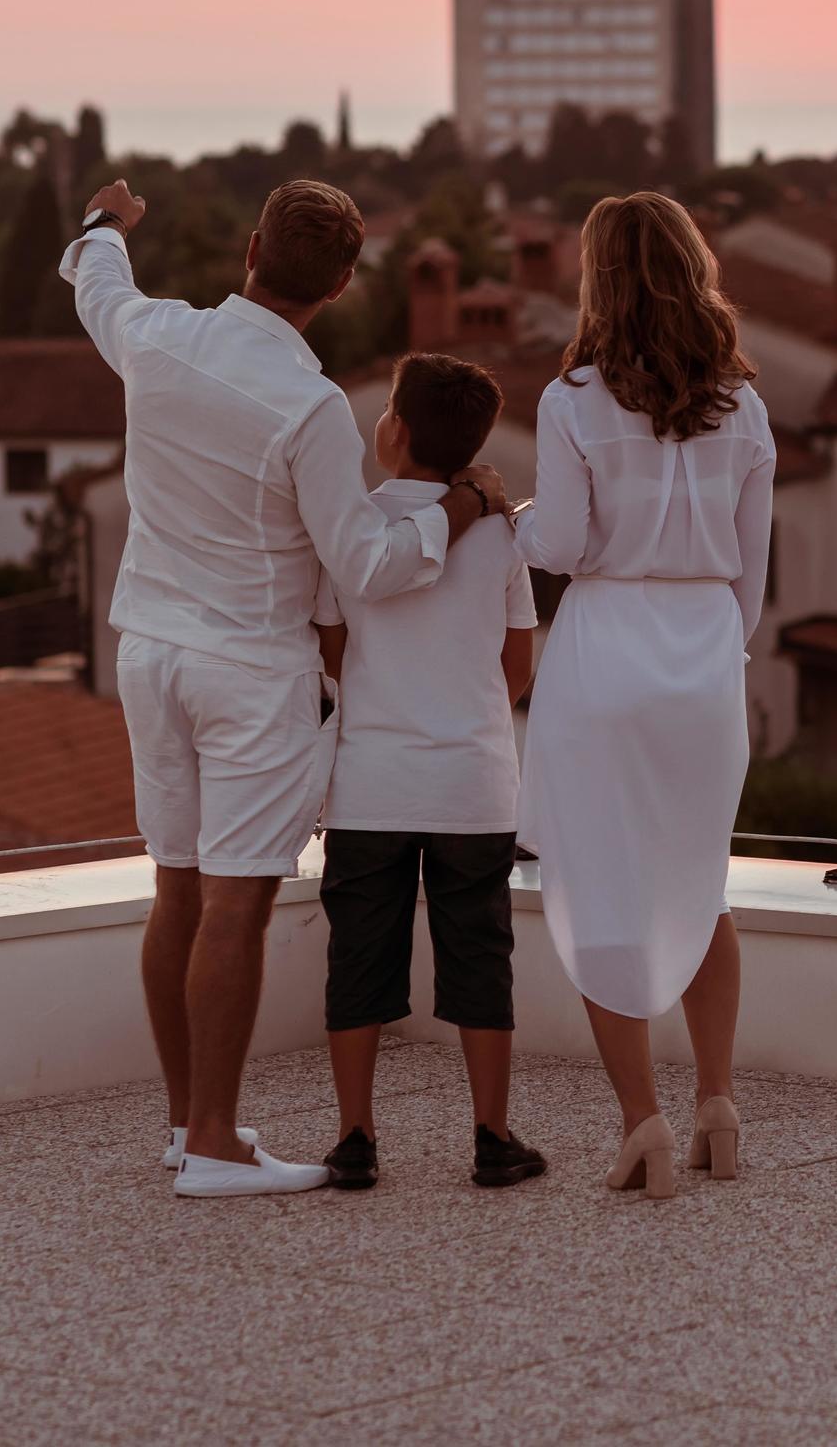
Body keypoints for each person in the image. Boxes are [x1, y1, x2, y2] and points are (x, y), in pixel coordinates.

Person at [63, 177, 507, 1199]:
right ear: (343, 284)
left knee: (175, 885)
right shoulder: (310, 408)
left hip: (149, 651)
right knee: (237, 901)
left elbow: (97, 283)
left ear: (252, 246)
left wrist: (105, 226)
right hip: (248, 670)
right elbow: (365, 565)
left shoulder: (159, 337)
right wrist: (456, 513)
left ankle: (188, 1125)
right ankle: (215, 1141)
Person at [517, 191, 774, 1200]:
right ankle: (718, 1101)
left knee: (605, 885)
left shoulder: (572, 398)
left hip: (607, 650)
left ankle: (644, 1125)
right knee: (698, 876)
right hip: (706, 653)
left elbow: (567, 546)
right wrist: (710, 641)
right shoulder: (742, 404)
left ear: (600, 279)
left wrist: (518, 516)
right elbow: (752, 577)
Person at [309, 352, 546, 1193]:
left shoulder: (355, 528)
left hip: (372, 782)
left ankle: (355, 1139)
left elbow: (333, 653)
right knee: (480, 956)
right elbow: (517, 664)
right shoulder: (502, 532)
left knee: (358, 957)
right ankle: (491, 1136)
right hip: (474, 783)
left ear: (396, 430)